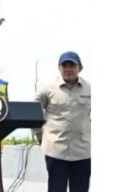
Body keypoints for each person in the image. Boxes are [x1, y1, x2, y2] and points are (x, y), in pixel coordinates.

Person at [34, 51, 91, 192]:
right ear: (59, 68)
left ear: (80, 68)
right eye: (64, 65)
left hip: (82, 153)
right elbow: (33, 110)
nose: (68, 69)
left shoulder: (90, 89)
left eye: (72, 65)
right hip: (56, 151)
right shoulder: (48, 89)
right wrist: (39, 135)